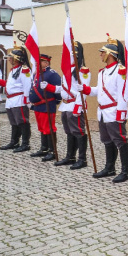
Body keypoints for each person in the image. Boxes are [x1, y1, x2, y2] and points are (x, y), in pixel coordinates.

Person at [81, 37, 128, 183]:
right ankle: (110, 167)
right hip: (103, 112)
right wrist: (85, 89)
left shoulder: (120, 71)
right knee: (107, 140)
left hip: (115, 111)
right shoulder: (102, 72)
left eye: (103, 52)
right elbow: (100, 90)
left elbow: (124, 92)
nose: (100, 55)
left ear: (110, 54)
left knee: (120, 140)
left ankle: (125, 171)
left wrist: (121, 112)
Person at [46, 41, 91, 169]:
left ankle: (82, 159)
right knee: (69, 132)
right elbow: (64, 88)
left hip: (75, 105)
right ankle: (70, 156)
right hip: (66, 105)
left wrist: (78, 106)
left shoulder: (82, 70)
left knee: (79, 132)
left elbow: (83, 90)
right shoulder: (67, 69)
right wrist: (50, 87)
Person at [0, 46, 33, 152]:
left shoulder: (24, 70)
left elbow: (27, 85)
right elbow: (10, 85)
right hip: (11, 100)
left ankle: (25, 143)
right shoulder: (13, 70)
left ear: (17, 59)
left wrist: (27, 98)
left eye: (11, 58)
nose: (9, 59)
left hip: (19, 99)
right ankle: (14, 141)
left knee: (22, 122)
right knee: (14, 122)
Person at [30, 54, 62, 162]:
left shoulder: (51, 74)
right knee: (42, 128)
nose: (36, 64)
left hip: (48, 104)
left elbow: (58, 89)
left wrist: (57, 101)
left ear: (46, 63)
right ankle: (44, 148)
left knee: (49, 128)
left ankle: (52, 151)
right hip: (38, 106)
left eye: (40, 62)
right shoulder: (38, 74)